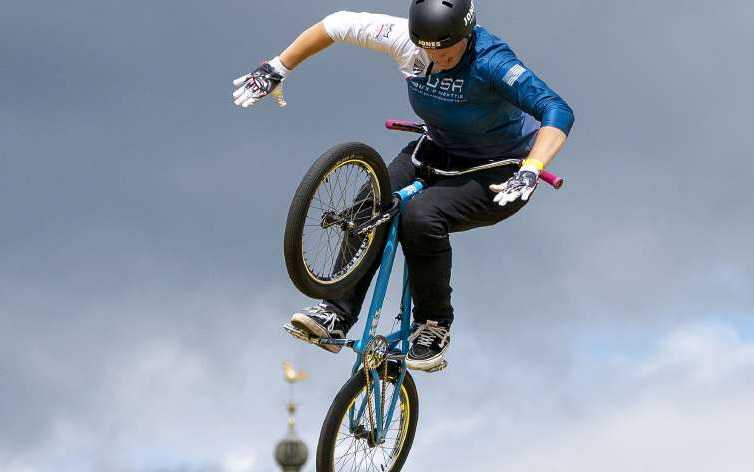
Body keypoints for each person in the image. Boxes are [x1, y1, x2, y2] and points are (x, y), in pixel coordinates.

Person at [233, 0, 574, 371]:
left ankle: (433, 325)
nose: (436, 55)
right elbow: (336, 25)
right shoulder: (403, 40)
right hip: (435, 151)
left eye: (445, 47)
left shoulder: (493, 61)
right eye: (426, 46)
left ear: (467, 32)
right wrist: (277, 67)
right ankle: (336, 313)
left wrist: (532, 166)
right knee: (370, 203)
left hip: (500, 173)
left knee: (420, 218)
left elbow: (557, 110)